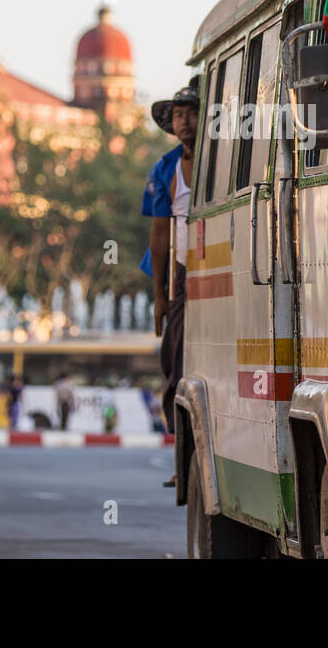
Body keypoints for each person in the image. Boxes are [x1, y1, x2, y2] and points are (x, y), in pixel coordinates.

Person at [143, 83, 199, 467]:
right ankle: (180, 442)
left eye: (192, 113)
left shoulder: (224, 161)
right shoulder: (165, 169)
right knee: (174, 354)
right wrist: (160, 295)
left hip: (222, 262)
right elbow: (160, 233)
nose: (184, 121)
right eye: (178, 114)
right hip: (181, 272)